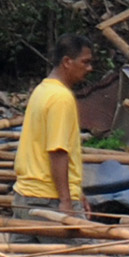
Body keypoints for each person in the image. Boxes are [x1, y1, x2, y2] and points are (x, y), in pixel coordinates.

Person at [14, 34, 97, 219]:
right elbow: (57, 151)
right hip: (48, 199)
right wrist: (66, 200)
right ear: (67, 61)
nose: (90, 68)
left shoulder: (42, 90)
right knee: (82, 248)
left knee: (26, 249)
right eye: (85, 62)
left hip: (25, 197)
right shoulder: (61, 98)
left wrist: (76, 192)